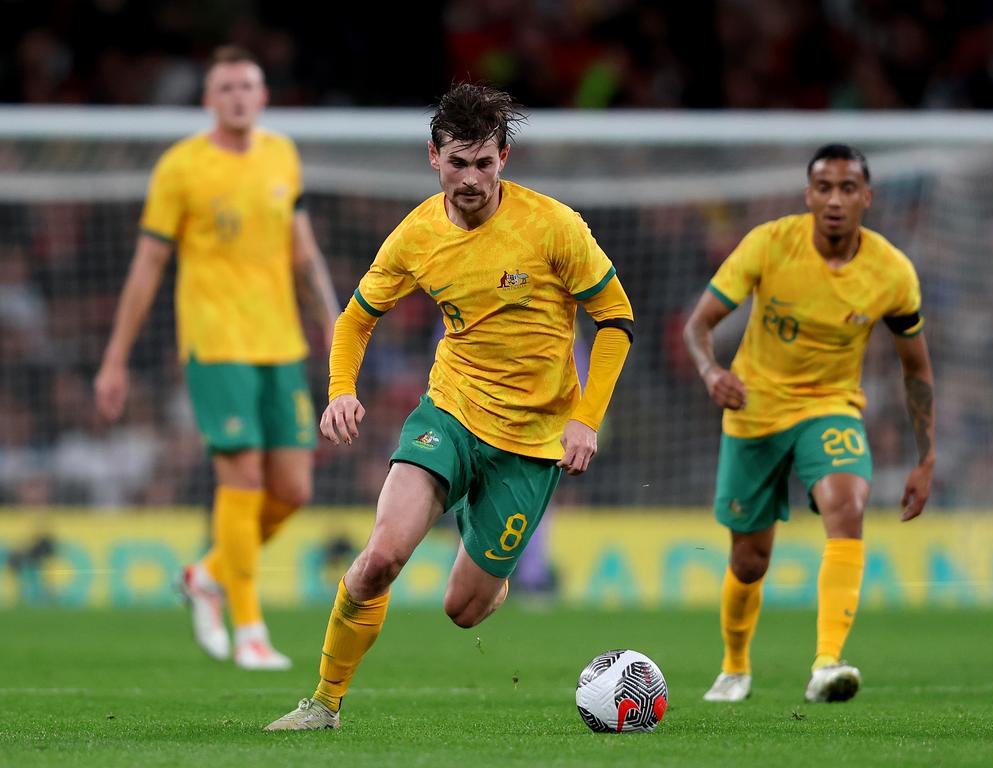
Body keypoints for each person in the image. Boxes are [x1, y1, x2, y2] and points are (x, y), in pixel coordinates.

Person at [264, 83, 635, 730]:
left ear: (504, 159)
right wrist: (340, 390)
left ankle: (487, 545)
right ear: (432, 157)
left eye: (484, 163)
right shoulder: (415, 235)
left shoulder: (555, 226)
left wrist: (586, 418)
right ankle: (323, 702)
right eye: (457, 162)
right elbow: (355, 318)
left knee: (463, 609)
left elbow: (616, 319)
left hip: (531, 441)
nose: (471, 178)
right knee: (380, 558)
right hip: (451, 414)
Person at [94, 45, 339, 671]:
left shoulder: (282, 155)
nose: (237, 96)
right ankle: (250, 627)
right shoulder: (181, 167)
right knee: (244, 481)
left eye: (248, 86)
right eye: (225, 87)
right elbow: (148, 264)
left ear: (263, 97)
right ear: (209, 99)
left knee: (294, 489)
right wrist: (115, 358)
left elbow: (303, 252)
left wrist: (339, 327)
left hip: (281, 343)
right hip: (216, 343)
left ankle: (205, 574)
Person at [683, 144, 935, 703]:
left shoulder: (892, 272)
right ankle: (734, 667)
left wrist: (925, 457)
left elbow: (915, 367)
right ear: (808, 196)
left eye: (848, 188)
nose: (835, 200)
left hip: (830, 407)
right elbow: (698, 326)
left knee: (847, 506)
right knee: (749, 560)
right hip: (754, 411)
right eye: (824, 187)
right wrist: (709, 372)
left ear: (867, 198)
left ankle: (827, 663)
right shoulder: (769, 244)